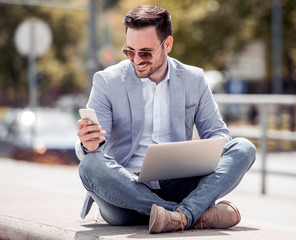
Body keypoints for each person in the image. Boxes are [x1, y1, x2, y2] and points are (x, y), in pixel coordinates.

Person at [76, 5, 256, 234]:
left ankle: (176, 216)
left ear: (167, 44)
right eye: (129, 51)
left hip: (179, 184)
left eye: (145, 53)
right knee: (90, 164)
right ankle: (191, 214)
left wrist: (202, 151)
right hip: (124, 195)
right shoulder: (107, 81)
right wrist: (88, 144)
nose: (136, 60)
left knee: (244, 148)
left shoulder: (194, 79)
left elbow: (218, 135)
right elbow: (89, 150)